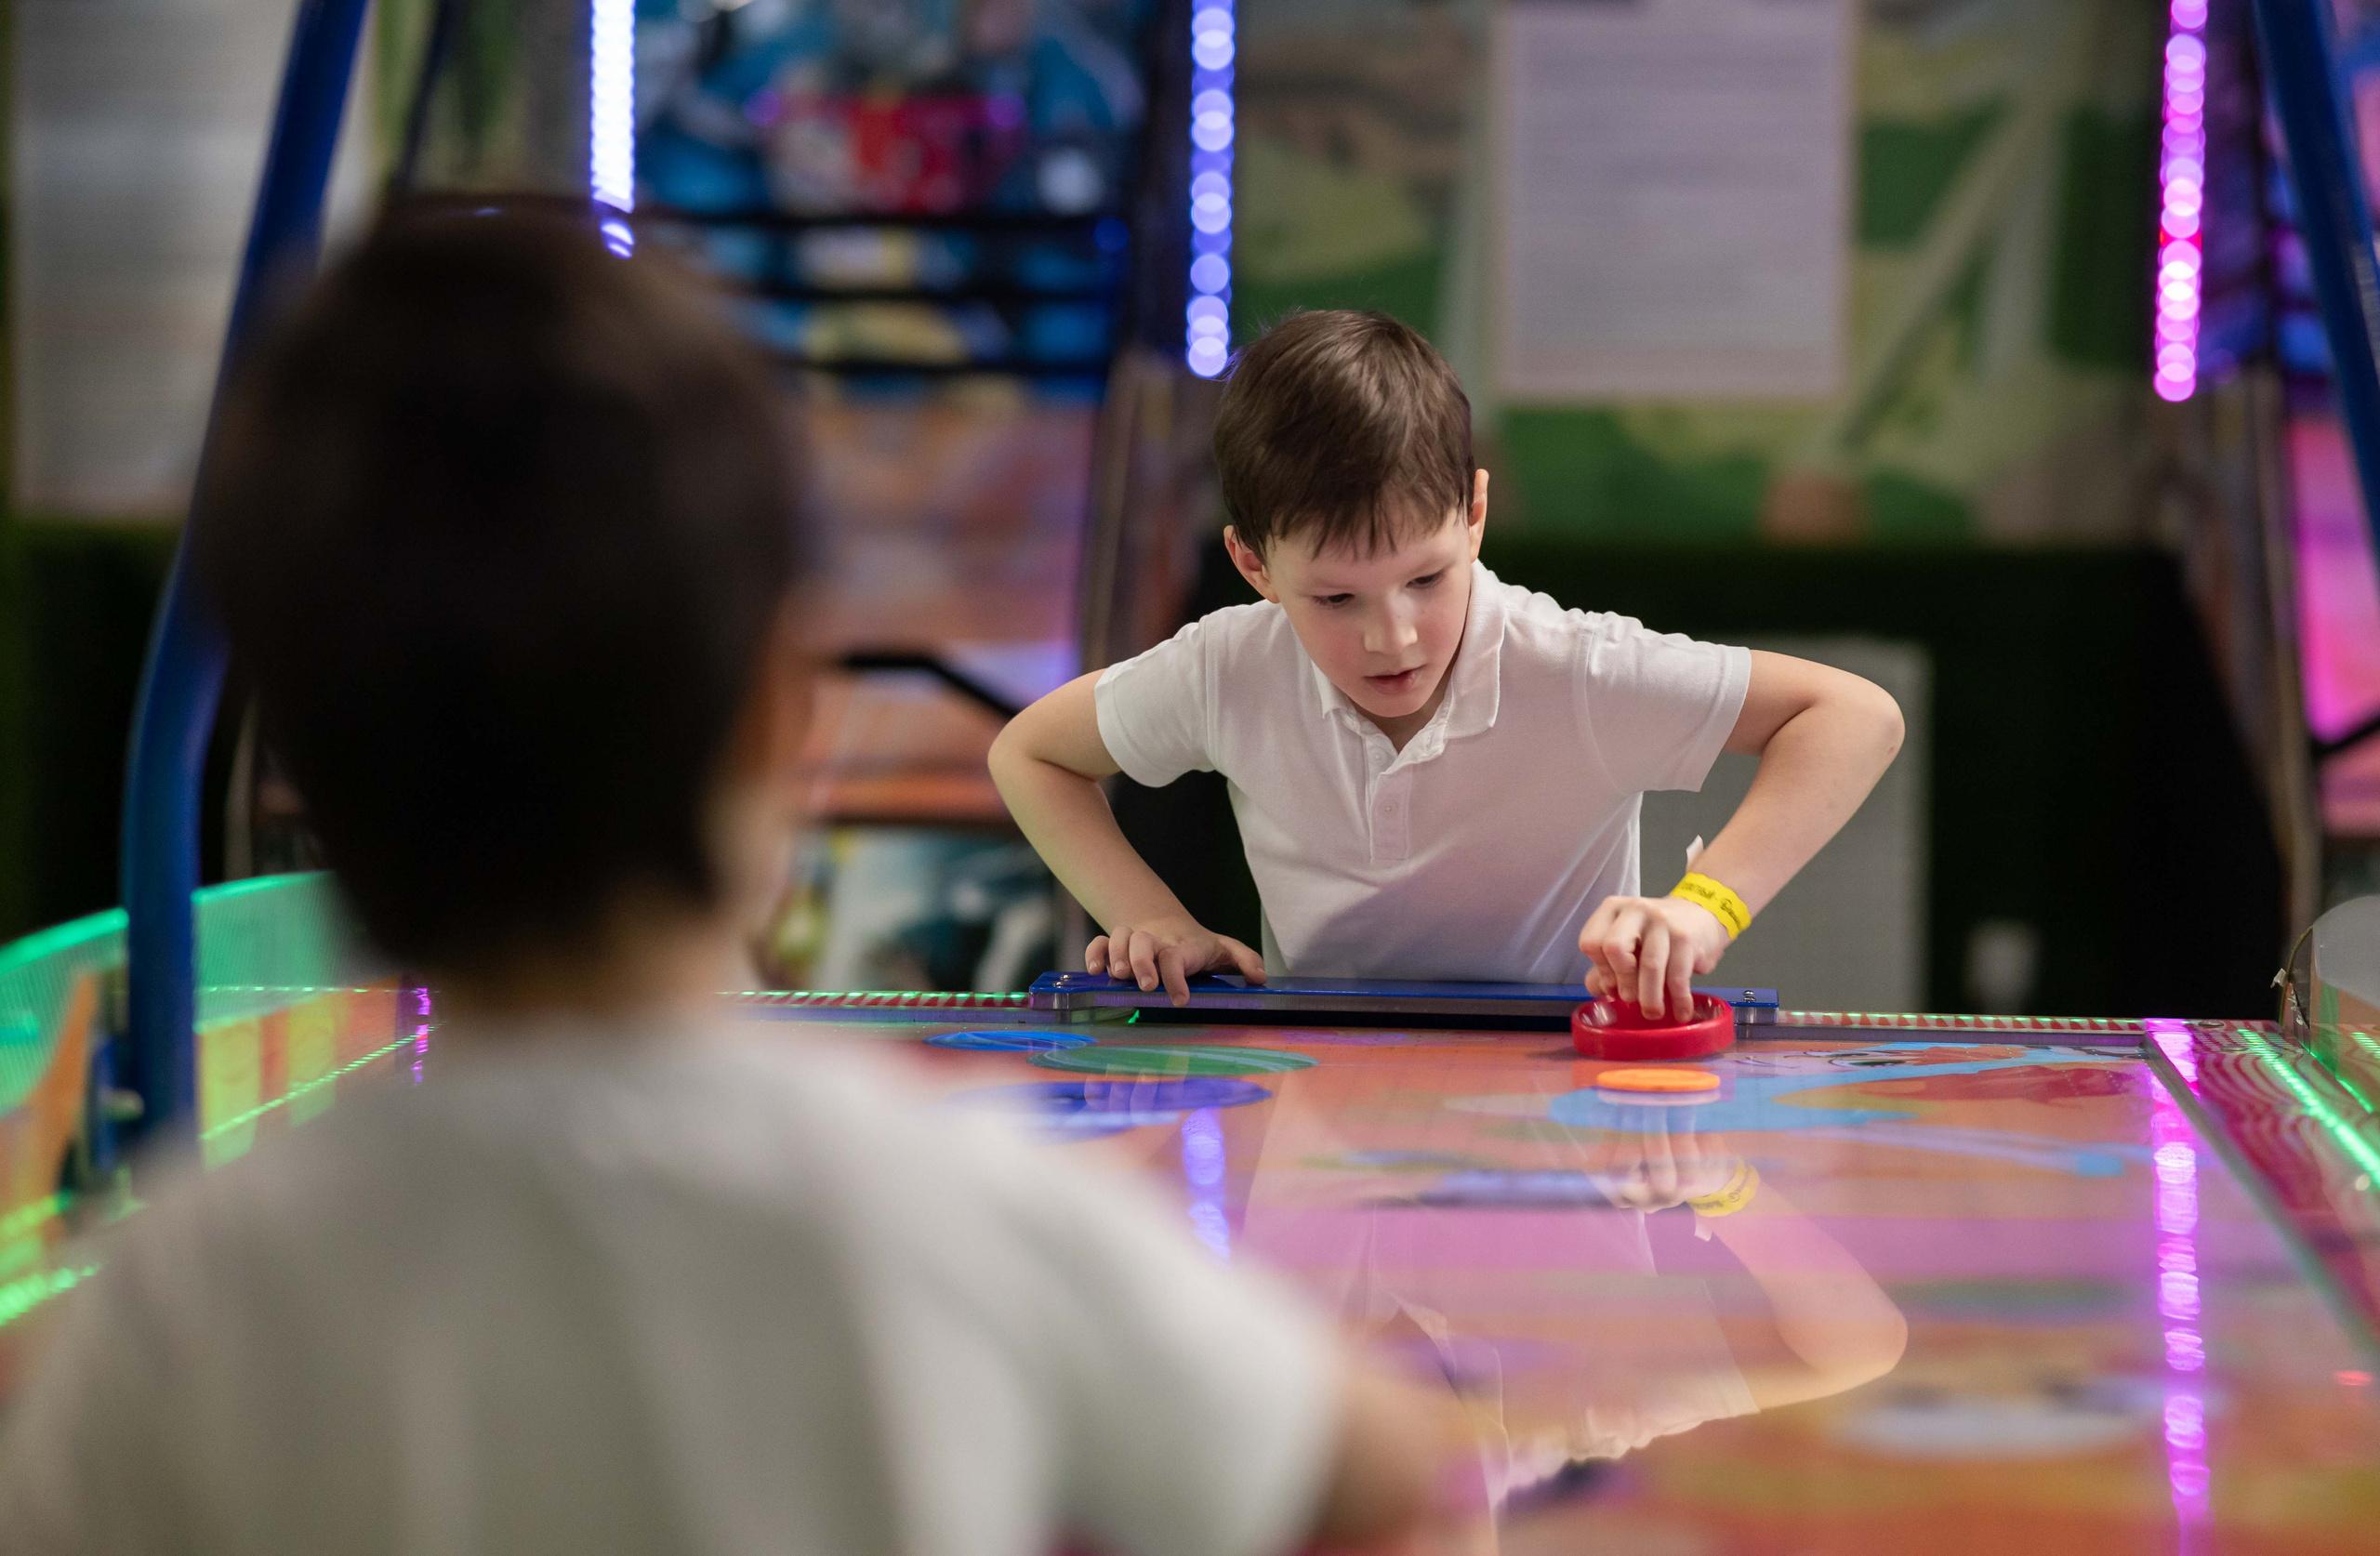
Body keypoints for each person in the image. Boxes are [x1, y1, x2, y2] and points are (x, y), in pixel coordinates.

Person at [0, 209, 1440, 1555]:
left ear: (306, 768)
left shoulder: (190, 1300)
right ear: (777, 712)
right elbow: (1376, 1475)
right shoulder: (960, 1210)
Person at [990, 310, 1904, 1012]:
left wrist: (1706, 906)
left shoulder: (1574, 668)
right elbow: (1029, 754)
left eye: (1425, 578)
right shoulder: (1228, 666)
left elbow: (1854, 716)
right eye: (1337, 598)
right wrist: (1151, 920)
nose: (1393, 637)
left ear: (1473, 514)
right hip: (1323, 1134)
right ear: (1252, 564)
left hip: (1565, 1137)